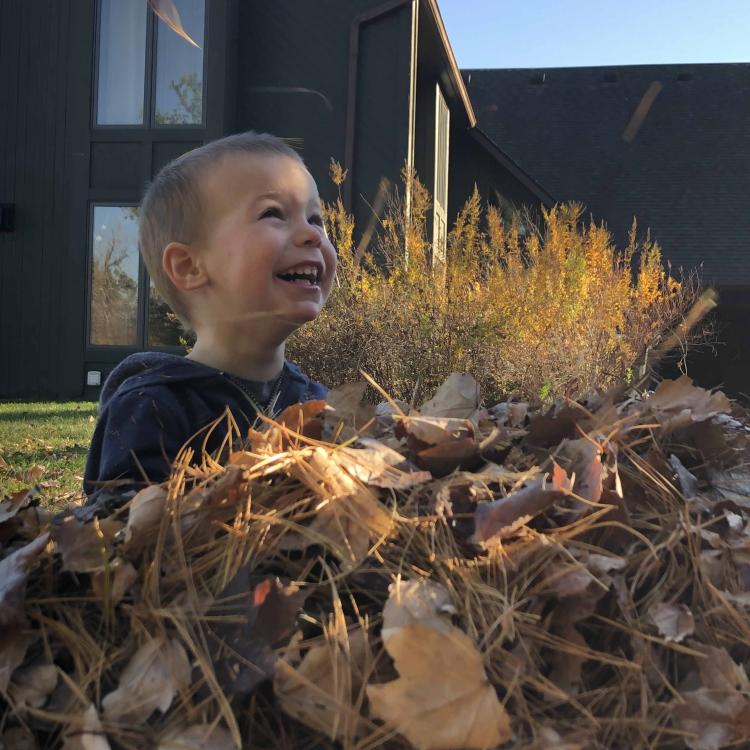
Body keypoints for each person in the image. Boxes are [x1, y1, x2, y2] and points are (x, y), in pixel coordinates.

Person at [80, 132, 337, 517]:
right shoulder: (151, 407)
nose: (313, 234)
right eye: (273, 214)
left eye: (316, 218)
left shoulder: (317, 403)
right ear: (189, 267)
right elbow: (123, 535)